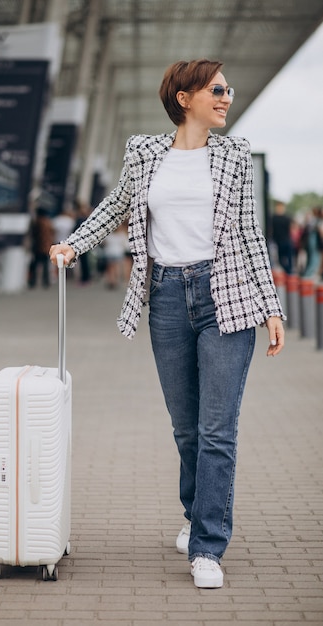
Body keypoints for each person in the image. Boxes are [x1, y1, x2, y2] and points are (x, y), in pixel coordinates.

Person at [50, 59, 285, 589]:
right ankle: (194, 511)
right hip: (167, 299)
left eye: (229, 90)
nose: (228, 97)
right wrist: (74, 245)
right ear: (185, 97)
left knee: (216, 430)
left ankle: (207, 546)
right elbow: (117, 206)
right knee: (186, 428)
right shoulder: (143, 151)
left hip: (227, 297)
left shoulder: (235, 156)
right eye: (218, 89)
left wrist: (272, 308)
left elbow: (250, 233)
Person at [28, 207, 54, 288]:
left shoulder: (38, 222)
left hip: (39, 246)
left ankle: (32, 282)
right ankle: (46, 282)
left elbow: (34, 234)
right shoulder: (48, 222)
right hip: (47, 247)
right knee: (45, 265)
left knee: (34, 265)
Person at [270, 201, 293, 274]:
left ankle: (288, 272)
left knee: (287, 259)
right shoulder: (274, 218)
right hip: (281, 241)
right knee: (283, 259)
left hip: (285, 240)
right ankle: (288, 272)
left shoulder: (285, 218)